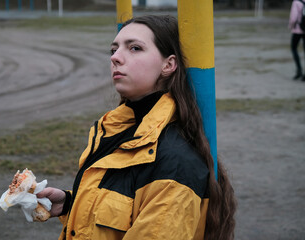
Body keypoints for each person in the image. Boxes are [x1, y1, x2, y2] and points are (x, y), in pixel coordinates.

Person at [37, 15, 236, 240]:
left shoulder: (175, 162)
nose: (116, 58)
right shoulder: (115, 130)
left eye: (134, 48)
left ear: (168, 65)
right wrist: (69, 203)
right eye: (114, 49)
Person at [289, 0, 305, 80]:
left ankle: (299, 70)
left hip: (298, 30)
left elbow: (293, 18)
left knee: (293, 48)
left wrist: (291, 26)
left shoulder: (296, 2)